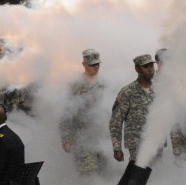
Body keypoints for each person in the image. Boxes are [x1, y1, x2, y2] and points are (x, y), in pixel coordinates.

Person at [59, 48, 107, 176]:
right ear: (84, 64)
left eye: (97, 64)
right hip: (83, 137)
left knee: (105, 173)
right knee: (88, 174)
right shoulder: (75, 85)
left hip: (102, 135)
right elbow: (66, 113)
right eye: (92, 65)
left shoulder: (104, 83)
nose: (95, 68)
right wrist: (66, 139)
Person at [109, 54, 160, 164]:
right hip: (137, 144)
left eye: (151, 66)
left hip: (156, 143)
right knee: (138, 176)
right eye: (146, 67)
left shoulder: (160, 89)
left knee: (157, 175)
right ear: (137, 68)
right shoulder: (127, 92)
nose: (150, 70)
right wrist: (117, 148)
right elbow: (116, 122)